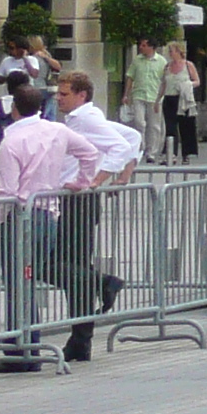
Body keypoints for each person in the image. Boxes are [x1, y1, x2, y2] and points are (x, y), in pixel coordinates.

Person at [0, 84, 103, 371]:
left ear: (14, 108)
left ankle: (22, 349)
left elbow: (7, 191)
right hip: (48, 215)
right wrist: (81, 182)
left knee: (18, 283)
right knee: (30, 278)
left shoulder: (11, 142)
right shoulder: (57, 131)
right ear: (41, 106)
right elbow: (90, 154)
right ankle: (28, 344)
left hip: (21, 218)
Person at [46, 72, 139, 367]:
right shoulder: (80, 119)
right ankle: (80, 339)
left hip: (77, 201)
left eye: (64, 94)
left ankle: (104, 283)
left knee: (60, 266)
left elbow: (122, 146)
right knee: (74, 270)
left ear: (81, 95)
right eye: (58, 93)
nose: (58, 98)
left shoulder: (87, 119)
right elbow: (132, 137)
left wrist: (97, 179)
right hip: (73, 199)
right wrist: (124, 174)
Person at [121, 37, 167, 156]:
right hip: (138, 95)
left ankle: (152, 151)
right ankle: (141, 147)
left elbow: (164, 81)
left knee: (154, 125)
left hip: (154, 97)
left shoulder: (162, 61)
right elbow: (130, 77)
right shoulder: (137, 60)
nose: (141, 47)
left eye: (143, 45)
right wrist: (126, 94)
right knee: (139, 122)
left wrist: (161, 97)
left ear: (151, 47)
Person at [160, 43, 200, 162]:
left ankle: (186, 154)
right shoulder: (167, 67)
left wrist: (188, 85)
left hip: (183, 99)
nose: (170, 53)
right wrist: (158, 100)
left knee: (186, 126)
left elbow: (197, 81)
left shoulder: (188, 65)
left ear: (178, 52)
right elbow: (163, 84)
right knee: (170, 128)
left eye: (172, 51)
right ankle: (170, 154)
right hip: (169, 98)